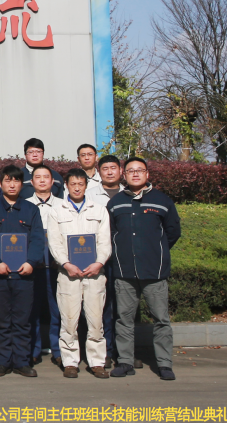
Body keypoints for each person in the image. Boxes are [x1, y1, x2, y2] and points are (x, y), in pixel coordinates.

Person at [108, 157, 181, 381]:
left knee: (161, 320)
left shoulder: (162, 200)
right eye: (131, 171)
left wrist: (156, 251)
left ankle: (164, 364)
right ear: (124, 175)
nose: (135, 174)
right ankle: (125, 362)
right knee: (124, 319)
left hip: (154, 272)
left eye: (140, 170)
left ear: (147, 174)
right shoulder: (115, 202)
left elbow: (173, 232)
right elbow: (110, 234)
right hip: (124, 272)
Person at [0, 164, 45, 377]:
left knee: (22, 320)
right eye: (8, 180)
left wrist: (31, 262)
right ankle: (2, 361)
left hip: (24, 274)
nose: (12, 184)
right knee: (1, 319)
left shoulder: (31, 210)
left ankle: (22, 361)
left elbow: (38, 239)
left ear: (21, 184)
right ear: (0, 184)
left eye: (16, 180)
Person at [47, 168, 111, 379]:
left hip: (94, 274)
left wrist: (99, 263)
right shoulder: (57, 211)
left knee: (96, 321)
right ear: (66, 186)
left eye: (80, 184)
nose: (76, 188)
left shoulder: (99, 210)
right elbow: (54, 242)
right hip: (68, 275)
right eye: (73, 184)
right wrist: (66, 264)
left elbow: (105, 241)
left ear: (86, 186)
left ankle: (97, 362)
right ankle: (70, 362)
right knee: (69, 320)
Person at [24, 165, 62, 366]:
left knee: (58, 310)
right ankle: (33, 349)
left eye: (46, 177)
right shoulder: (24, 205)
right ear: (32, 182)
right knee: (33, 310)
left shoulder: (63, 205)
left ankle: (58, 350)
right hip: (34, 266)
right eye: (37, 177)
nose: (42, 180)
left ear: (52, 181)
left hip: (57, 266)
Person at [94, 154, 125, 368]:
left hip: (124, 259)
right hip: (98, 259)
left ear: (120, 171)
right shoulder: (89, 195)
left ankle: (125, 352)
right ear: (99, 172)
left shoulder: (130, 194)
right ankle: (105, 350)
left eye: (113, 168)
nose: (110, 172)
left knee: (125, 307)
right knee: (103, 306)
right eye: (105, 169)